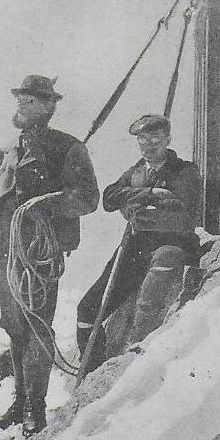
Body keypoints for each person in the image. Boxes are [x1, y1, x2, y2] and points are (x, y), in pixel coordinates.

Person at [0, 75, 99, 436]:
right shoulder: (9, 148)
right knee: (14, 328)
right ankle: (20, 400)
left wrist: (47, 204)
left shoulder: (68, 148)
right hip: (6, 252)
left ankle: (34, 410)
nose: (21, 108)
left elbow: (88, 197)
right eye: (20, 101)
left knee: (37, 328)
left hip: (40, 254)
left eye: (29, 103)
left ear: (47, 107)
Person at [77, 114, 202, 367]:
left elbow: (183, 210)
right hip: (135, 249)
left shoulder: (185, 171)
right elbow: (110, 198)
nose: (148, 144)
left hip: (172, 245)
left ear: (168, 139)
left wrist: (136, 208)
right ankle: (93, 370)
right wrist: (150, 193)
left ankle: (138, 367)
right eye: (142, 140)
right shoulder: (136, 173)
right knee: (88, 308)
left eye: (155, 138)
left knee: (148, 308)